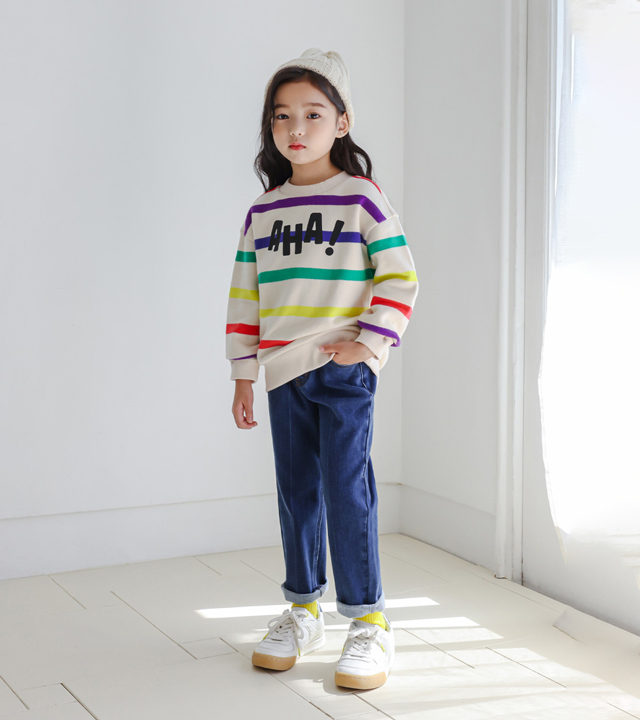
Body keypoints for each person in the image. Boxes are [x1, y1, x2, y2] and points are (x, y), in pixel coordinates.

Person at [225, 48, 419, 690]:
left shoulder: (361, 197)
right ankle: (303, 610)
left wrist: (370, 344)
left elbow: (400, 276)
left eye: (313, 113)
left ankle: (369, 622)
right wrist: (243, 373)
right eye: (282, 116)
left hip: (342, 371)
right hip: (282, 373)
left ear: (342, 122)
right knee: (297, 492)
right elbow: (246, 296)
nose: (296, 128)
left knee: (346, 489)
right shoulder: (263, 211)